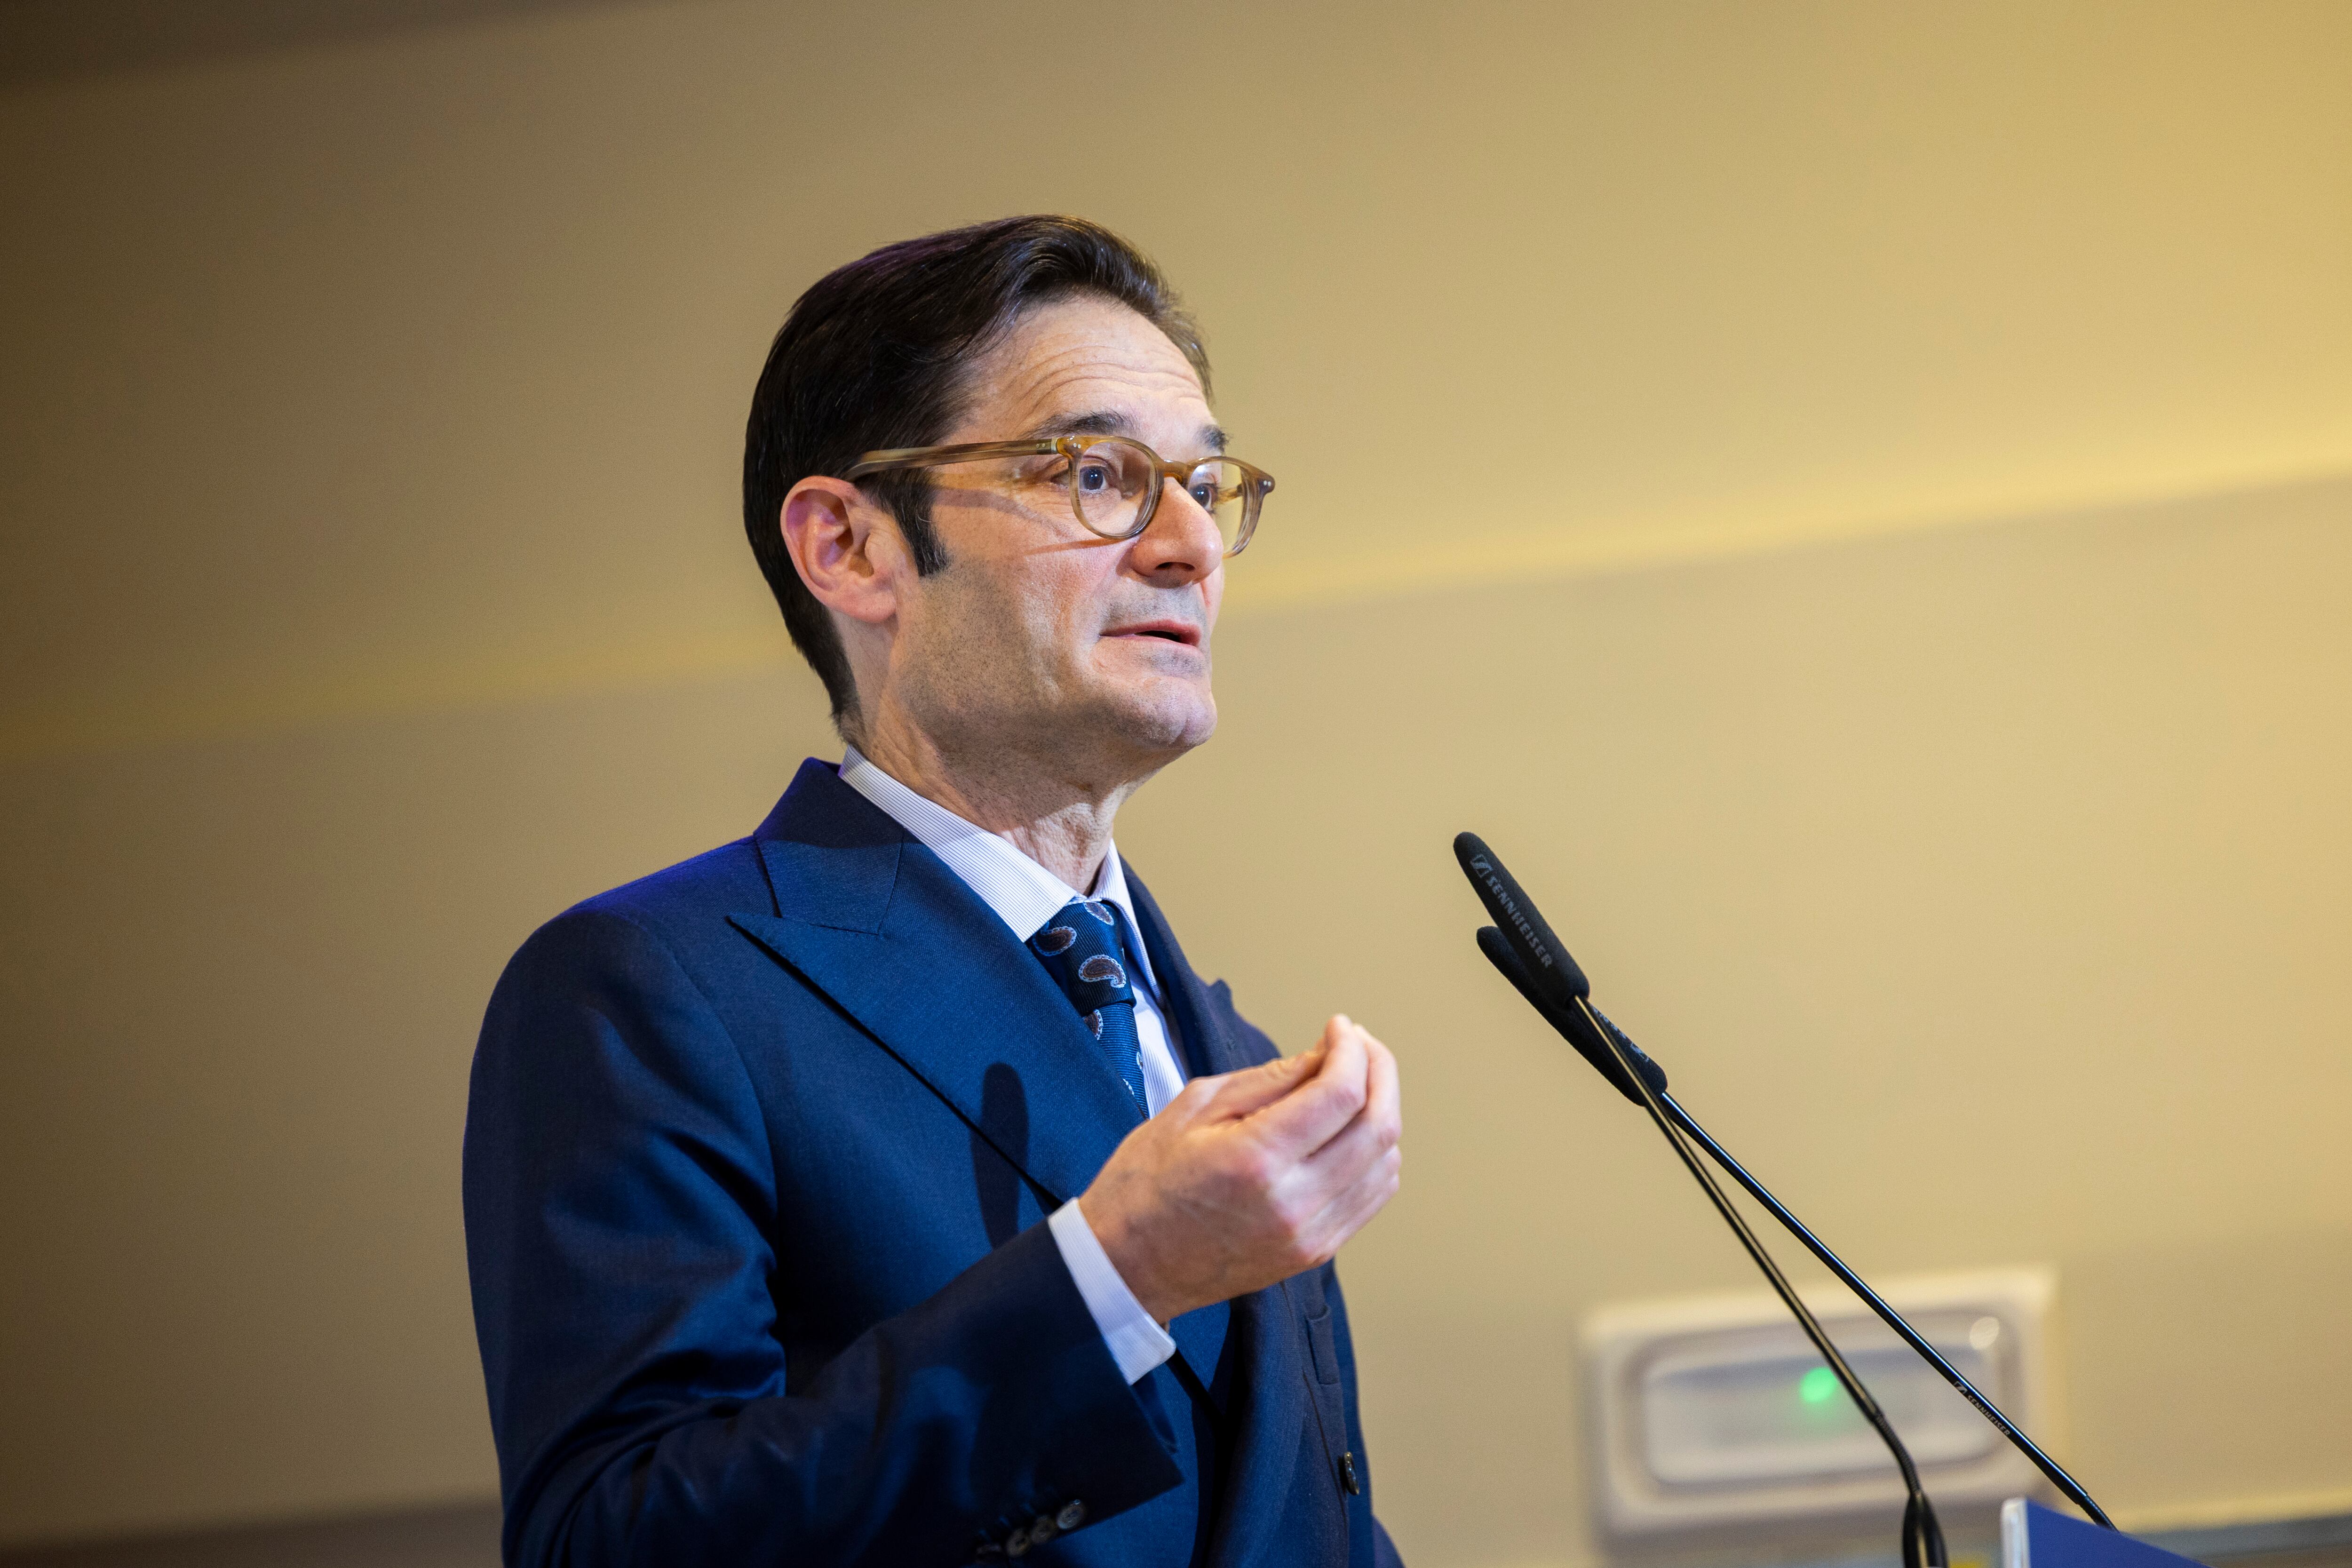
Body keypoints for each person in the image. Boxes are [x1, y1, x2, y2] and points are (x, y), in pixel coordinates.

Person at [463, 215, 1406, 1568]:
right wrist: (1114, 1277)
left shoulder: (1224, 1050)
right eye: (1097, 474)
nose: (1192, 544)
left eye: (1205, 484)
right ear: (852, 549)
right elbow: (615, 1542)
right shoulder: (652, 994)